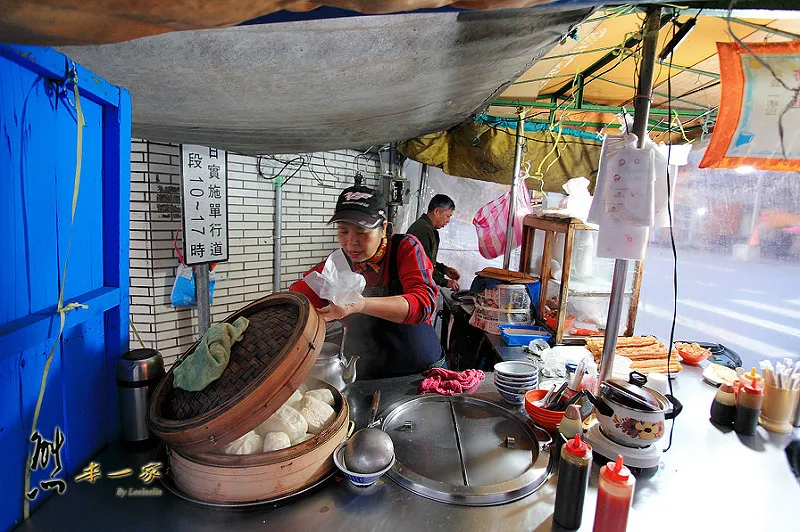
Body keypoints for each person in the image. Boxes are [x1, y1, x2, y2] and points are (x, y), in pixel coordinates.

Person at [290, 186, 445, 380]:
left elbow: (424, 305)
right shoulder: (338, 264)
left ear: (384, 229)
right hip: (365, 373)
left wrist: (360, 305)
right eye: (343, 231)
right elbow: (297, 299)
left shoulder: (404, 248)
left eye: (362, 232)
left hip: (418, 373)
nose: (351, 242)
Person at [406, 194, 461, 291]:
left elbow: (426, 260)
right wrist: (444, 281)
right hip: (411, 287)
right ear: (437, 211)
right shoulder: (423, 230)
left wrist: (444, 269)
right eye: (448, 216)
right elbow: (423, 266)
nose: (448, 221)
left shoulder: (427, 228)